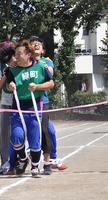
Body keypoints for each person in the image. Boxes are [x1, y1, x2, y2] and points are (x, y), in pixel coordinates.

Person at [5, 39, 54, 177]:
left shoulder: (40, 67)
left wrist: (37, 87)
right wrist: (10, 86)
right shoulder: (12, 71)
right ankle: (23, 158)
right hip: (18, 108)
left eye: (19, 53)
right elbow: (8, 86)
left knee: (34, 140)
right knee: (16, 137)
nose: (16, 57)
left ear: (28, 54)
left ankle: (34, 166)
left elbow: (51, 83)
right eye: (16, 54)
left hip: (34, 107)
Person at [30, 36, 67, 173]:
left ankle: (49, 160)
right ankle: (23, 160)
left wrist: (42, 64)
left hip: (42, 102)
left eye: (39, 44)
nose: (37, 45)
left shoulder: (46, 61)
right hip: (27, 103)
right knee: (32, 132)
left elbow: (51, 74)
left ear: (43, 49)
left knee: (48, 131)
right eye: (34, 44)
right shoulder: (27, 63)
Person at [0, 44, 17, 175]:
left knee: (18, 133)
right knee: (4, 134)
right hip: (6, 102)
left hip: (22, 101)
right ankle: (5, 162)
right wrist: (5, 73)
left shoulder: (20, 60)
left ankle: (19, 160)